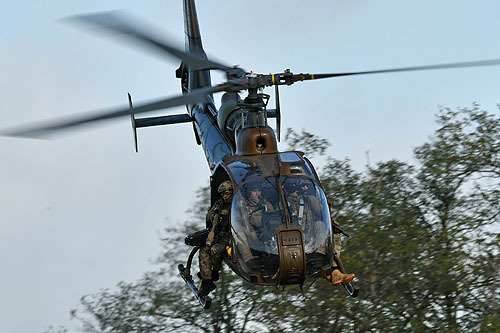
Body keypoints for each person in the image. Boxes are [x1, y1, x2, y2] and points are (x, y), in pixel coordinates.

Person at [286, 179, 355, 285]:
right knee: (320, 226)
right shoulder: (283, 204)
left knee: (332, 235)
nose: (298, 193)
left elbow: (320, 210)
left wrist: (310, 195)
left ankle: (333, 270)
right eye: (297, 189)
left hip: (308, 241)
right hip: (291, 244)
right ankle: (331, 271)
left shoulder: (306, 201)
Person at [198, 180, 233, 297]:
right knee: (203, 249)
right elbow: (208, 218)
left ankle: (213, 273)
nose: (225, 196)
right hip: (220, 235)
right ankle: (207, 279)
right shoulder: (220, 204)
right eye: (223, 194)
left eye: (227, 193)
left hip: (232, 237)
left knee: (214, 250)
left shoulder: (238, 204)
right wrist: (215, 213)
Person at [235, 182, 275, 263]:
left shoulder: (266, 205)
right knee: (238, 234)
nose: (257, 193)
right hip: (251, 236)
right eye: (254, 191)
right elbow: (237, 225)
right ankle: (249, 260)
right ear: (249, 192)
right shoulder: (242, 207)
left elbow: (275, 220)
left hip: (267, 235)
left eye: (259, 191)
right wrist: (250, 233)